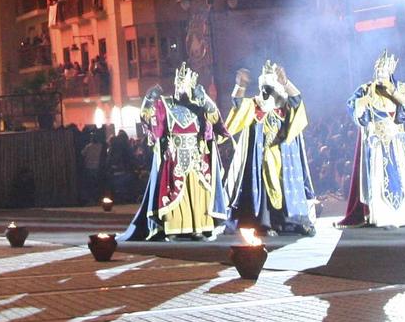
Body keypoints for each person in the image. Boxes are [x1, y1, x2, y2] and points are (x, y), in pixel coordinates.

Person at [121, 64, 228, 240]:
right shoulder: (165, 105)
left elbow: (216, 120)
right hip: (174, 157)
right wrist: (148, 99)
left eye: (185, 85)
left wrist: (207, 100)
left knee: (198, 192)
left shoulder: (198, 106)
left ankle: (198, 228)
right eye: (179, 84)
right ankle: (174, 229)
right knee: (172, 193)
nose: (181, 88)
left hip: (196, 156)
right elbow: (148, 118)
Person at [341, 50, 405, 228]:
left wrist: (394, 94)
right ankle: (383, 217)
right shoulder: (365, 90)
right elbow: (354, 109)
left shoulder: (401, 89)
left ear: (390, 71)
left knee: (403, 178)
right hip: (377, 145)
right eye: (378, 70)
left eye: (384, 71)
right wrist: (362, 103)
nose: (380, 73)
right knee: (379, 181)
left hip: (398, 143)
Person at [224, 61, 315, 235]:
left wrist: (286, 82)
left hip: (284, 156)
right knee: (264, 191)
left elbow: (297, 102)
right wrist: (240, 85)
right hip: (262, 156)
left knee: (287, 188)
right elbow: (237, 106)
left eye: (271, 88)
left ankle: (292, 222)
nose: (268, 93)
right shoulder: (255, 105)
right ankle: (265, 224)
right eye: (265, 89)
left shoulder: (284, 106)